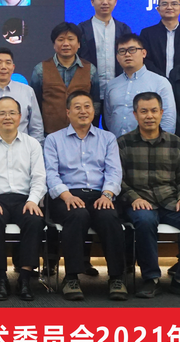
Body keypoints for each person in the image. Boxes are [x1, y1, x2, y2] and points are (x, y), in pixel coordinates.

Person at [117, 92, 180, 299]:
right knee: (145, 221)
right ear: (135, 114)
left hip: (171, 201)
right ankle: (150, 279)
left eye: (153, 111)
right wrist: (134, 198)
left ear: (161, 113)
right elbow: (118, 180)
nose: (149, 116)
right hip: (140, 201)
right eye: (143, 111)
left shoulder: (175, 142)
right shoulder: (124, 143)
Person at [43, 90, 127, 301]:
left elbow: (114, 171)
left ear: (94, 111)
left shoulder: (107, 138)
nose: (83, 111)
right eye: (77, 107)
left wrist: (107, 195)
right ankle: (71, 277)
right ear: (68, 112)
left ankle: (116, 278)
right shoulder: (53, 140)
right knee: (77, 215)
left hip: (100, 194)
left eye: (87, 107)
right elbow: (51, 174)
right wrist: (66, 196)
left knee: (109, 217)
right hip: (66, 195)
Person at [0, 96, 46, 301]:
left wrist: (33, 200)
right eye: (2, 113)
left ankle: (25, 278)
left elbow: (39, 177)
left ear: (20, 117)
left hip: (25, 199)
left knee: (34, 220)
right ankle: (1, 279)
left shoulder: (32, 144)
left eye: (12, 113)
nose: (8, 117)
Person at [30, 22, 101, 135]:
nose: (66, 44)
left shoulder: (90, 69)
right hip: (50, 134)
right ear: (54, 44)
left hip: (82, 134)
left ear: (79, 44)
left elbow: (96, 104)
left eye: (71, 39)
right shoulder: (40, 70)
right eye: (61, 39)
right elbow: (35, 105)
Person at [102, 34, 176, 137]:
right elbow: (109, 118)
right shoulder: (111, 85)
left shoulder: (160, 82)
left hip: (150, 144)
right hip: (116, 143)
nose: (127, 54)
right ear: (117, 57)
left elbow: (168, 120)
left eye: (132, 50)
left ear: (144, 53)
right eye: (122, 51)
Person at [78, 0, 132, 102]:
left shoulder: (124, 29)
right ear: (92, 2)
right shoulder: (82, 29)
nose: (105, 2)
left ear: (115, 1)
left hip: (119, 92)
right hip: (88, 92)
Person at [138, 0, 180, 78]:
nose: (169, 7)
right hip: (154, 81)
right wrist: (162, 79)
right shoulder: (147, 33)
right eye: (165, 4)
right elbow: (145, 60)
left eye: (174, 4)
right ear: (158, 9)